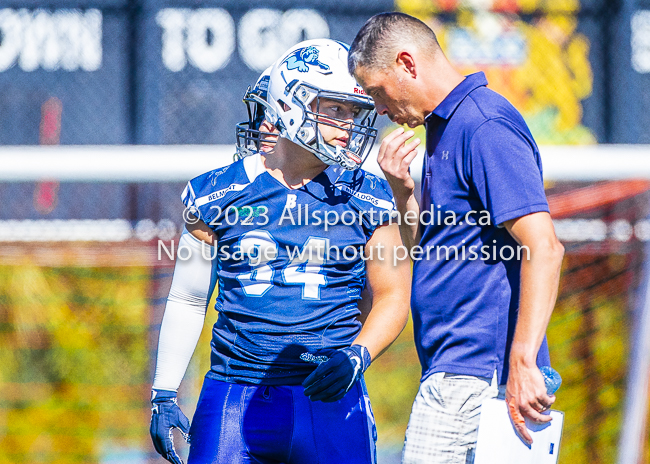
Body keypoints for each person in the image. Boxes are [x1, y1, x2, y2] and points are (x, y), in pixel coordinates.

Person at [149, 38, 411, 464]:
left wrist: (357, 356)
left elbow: (393, 295)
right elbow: (188, 297)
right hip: (235, 393)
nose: (349, 125)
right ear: (291, 105)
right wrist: (164, 391)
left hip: (330, 395)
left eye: (354, 111)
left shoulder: (370, 195)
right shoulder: (219, 191)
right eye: (336, 110)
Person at [348, 12, 565, 463]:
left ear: (407, 64)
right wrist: (403, 191)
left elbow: (544, 246)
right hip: (461, 371)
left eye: (376, 92)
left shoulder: (483, 124)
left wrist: (523, 363)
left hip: (481, 376)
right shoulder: (444, 126)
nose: (381, 109)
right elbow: (427, 246)